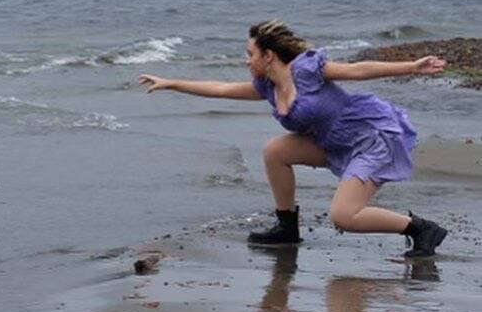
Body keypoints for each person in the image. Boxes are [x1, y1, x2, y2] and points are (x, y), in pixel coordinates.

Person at [138, 20, 448, 257]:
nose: (246, 61)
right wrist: (171, 83)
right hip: (333, 142)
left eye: (250, 54)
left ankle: (421, 229)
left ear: (269, 55)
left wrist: (412, 66)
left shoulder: (308, 69)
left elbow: (358, 70)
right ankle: (286, 228)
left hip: (370, 139)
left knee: (343, 216)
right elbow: (222, 88)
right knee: (276, 151)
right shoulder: (268, 87)